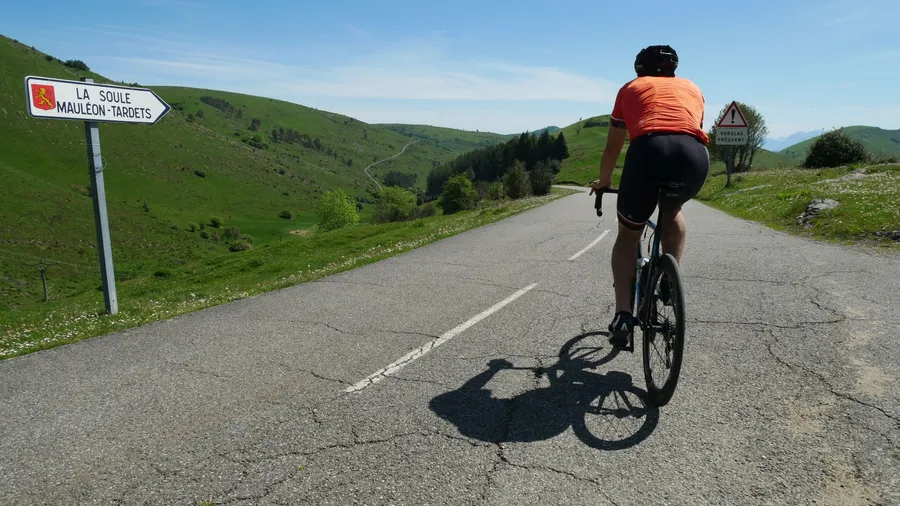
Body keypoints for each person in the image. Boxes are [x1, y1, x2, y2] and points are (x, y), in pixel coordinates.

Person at [588, 45, 710, 348]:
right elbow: (691, 128)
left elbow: (613, 147)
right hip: (693, 155)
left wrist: (604, 181)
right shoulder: (693, 88)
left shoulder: (631, 88)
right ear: (674, 69)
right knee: (672, 210)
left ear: (638, 69)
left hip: (649, 151)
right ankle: (670, 275)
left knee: (629, 235)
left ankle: (623, 315)